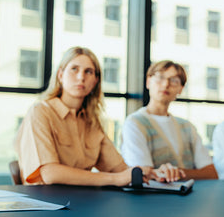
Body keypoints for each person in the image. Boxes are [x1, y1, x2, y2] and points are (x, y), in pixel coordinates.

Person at [14, 46, 150, 186]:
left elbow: (120, 169)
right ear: (60, 75)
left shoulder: (90, 120)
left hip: (80, 200)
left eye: (88, 72)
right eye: (74, 69)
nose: (81, 77)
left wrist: (150, 173)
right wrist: (115, 179)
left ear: (96, 80)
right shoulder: (40, 112)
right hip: (45, 202)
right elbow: (50, 173)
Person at [121, 60, 218, 182]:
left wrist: (175, 173)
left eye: (174, 80)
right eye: (160, 77)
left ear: (181, 89)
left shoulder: (187, 126)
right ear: (148, 82)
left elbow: (211, 173)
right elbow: (145, 174)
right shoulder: (135, 123)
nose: (166, 84)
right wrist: (189, 174)